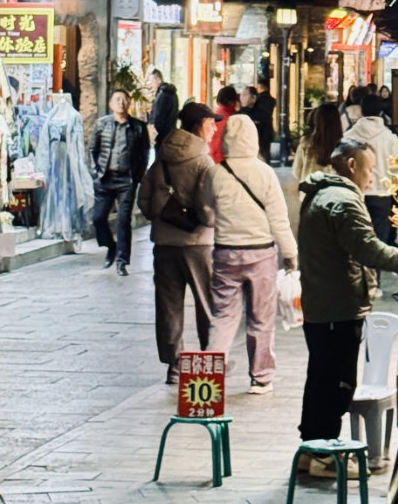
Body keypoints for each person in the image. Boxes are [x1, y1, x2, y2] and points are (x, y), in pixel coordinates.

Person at [296, 141, 398, 472]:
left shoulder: (323, 194)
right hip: (337, 306)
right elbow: (368, 249)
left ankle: (310, 450)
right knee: (335, 382)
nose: (372, 178)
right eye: (370, 169)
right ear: (352, 165)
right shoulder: (342, 202)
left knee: (321, 378)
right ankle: (325, 455)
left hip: (323, 302)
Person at [201, 114, 297, 394]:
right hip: (260, 254)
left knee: (223, 317)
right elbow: (279, 219)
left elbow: (207, 211)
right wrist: (290, 252)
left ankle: (209, 379)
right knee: (261, 317)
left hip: (226, 253)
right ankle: (261, 377)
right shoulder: (264, 172)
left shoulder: (216, 172)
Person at [138, 101, 215, 383]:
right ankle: (211, 358)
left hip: (164, 243)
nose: (215, 129)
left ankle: (175, 365)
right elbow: (209, 208)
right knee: (207, 303)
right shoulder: (204, 162)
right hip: (197, 244)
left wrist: (160, 217)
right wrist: (210, 221)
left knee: (169, 305)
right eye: (211, 123)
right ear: (198, 125)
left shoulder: (163, 155)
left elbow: (144, 198)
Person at [89, 89, 149, 276]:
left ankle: (122, 261)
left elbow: (143, 155)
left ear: (129, 103)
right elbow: (92, 149)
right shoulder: (102, 124)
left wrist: (136, 177)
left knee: (124, 221)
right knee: (98, 218)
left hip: (126, 180)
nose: (121, 103)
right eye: (117, 99)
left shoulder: (138, 127)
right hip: (105, 178)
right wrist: (96, 172)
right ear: (111, 104)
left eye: (124, 99)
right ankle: (110, 246)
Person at [345, 93, 398, 244]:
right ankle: (375, 268)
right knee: (379, 242)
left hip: (355, 194)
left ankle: (359, 267)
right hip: (382, 194)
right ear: (381, 112)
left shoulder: (349, 136)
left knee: (357, 239)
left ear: (361, 111)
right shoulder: (390, 138)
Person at [292, 102, 344, 185]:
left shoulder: (306, 143)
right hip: (335, 195)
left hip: (310, 194)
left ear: (316, 121)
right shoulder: (344, 147)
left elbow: (296, 172)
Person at [208, 84, 242, 163]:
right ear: (231, 102)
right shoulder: (233, 120)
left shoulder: (212, 118)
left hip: (212, 160)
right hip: (226, 162)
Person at [146, 70, 179, 146]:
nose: (150, 85)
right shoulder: (171, 93)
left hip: (163, 136)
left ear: (158, 80)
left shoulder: (162, 95)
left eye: (152, 81)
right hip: (171, 133)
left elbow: (159, 118)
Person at [251, 80, 276, 161]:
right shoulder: (272, 100)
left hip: (259, 127)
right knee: (266, 150)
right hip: (268, 126)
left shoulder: (259, 99)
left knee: (259, 150)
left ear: (261, 87)